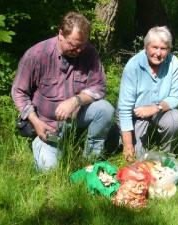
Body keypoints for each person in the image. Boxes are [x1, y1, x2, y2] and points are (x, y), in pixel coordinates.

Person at [11, 12, 114, 171]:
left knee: (105, 109)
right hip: (47, 124)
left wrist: (76, 100)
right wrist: (36, 122)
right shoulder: (37, 55)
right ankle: (47, 146)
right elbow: (18, 92)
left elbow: (99, 86)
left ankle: (91, 159)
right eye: (72, 45)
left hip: (78, 116)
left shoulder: (90, 53)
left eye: (82, 45)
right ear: (60, 34)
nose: (78, 50)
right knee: (49, 169)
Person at [117, 26, 178, 162]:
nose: (158, 53)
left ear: (169, 49)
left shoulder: (173, 62)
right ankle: (121, 139)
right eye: (154, 47)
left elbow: (176, 96)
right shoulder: (133, 66)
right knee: (137, 159)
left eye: (163, 49)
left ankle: (167, 157)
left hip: (158, 111)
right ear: (146, 46)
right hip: (134, 115)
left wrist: (155, 108)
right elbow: (124, 108)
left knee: (174, 118)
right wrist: (128, 145)